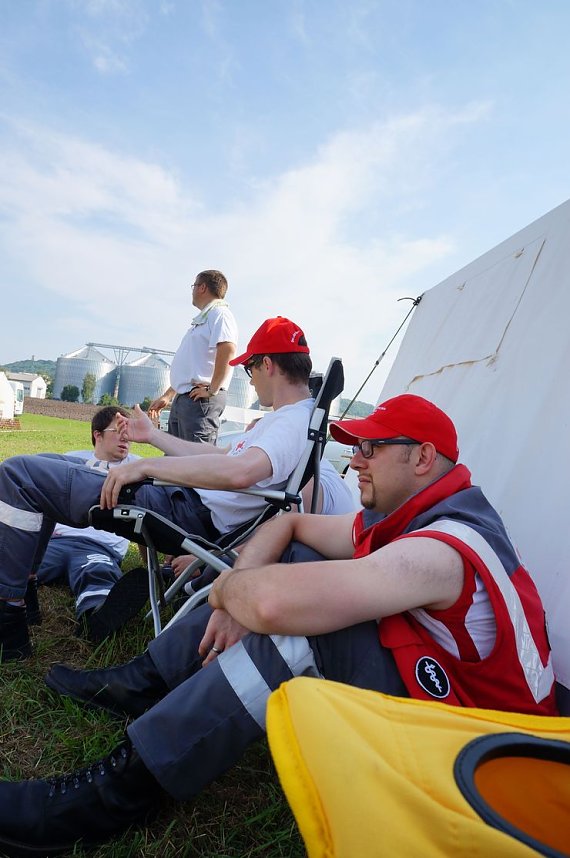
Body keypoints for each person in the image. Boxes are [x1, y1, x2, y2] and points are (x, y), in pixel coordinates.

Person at [0, 394, 557, 856]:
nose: (355, 459)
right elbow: (290, 522)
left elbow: (268, 606)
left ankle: (109, 795)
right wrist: (234, 595)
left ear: (423, 458)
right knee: (299, 568)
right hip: (450, 715)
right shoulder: (410, 519)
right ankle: (148, 682)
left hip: (489, 762)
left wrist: (226, 590)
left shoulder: (441, 548)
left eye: (370, 447)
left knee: (305, 630)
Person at [0, 316, 314, 663]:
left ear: (266, 365)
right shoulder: (287, 420)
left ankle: (8, 616)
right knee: (43, 462)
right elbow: (220, 456)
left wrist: (146, 465)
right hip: (180, 502)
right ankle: (25, 590)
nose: (250, 381)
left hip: (180, 512)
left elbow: (241, 472)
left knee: (19, 475)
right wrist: (152, 437)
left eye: (249, 370)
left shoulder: (293, 421)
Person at [28, 406, 150, 643]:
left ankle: (96, 615)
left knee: (98, 572)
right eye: (119, 430)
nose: (126, 437)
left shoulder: (138, 468)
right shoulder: (72, 458)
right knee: (17, 563)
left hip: (98, 546)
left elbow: (147, 515)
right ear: (97, 434)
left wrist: (150, 566)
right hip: (58, 541)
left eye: (129, 431)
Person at [148, 269, 238, 443]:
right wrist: (168, 395)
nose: (192, 290)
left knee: (196, 460)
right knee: (175, 458)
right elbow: (192, 366)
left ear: (202, 287)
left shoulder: (220, 314)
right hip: (186, 398)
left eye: (194, 285)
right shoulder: (203, 319)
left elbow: (227, 350)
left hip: (199, 401)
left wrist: (213, 389)